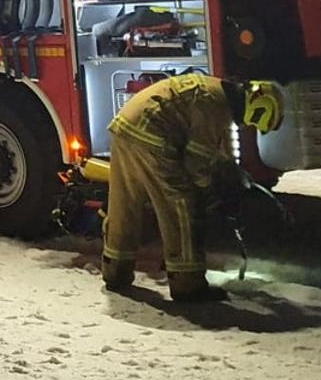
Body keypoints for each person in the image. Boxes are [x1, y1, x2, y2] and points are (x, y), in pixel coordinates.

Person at [101, 74, 283, 302]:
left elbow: (215, 149)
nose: (247, 125)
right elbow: (197, 163)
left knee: (125, 205)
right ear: (256, 106)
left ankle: (115, 271)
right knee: (182, 207)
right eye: (252, 121)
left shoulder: (215, 92)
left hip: (126, 128)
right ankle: (187, 285)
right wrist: (211, 195)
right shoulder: (216, 105)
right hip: (152, 136)